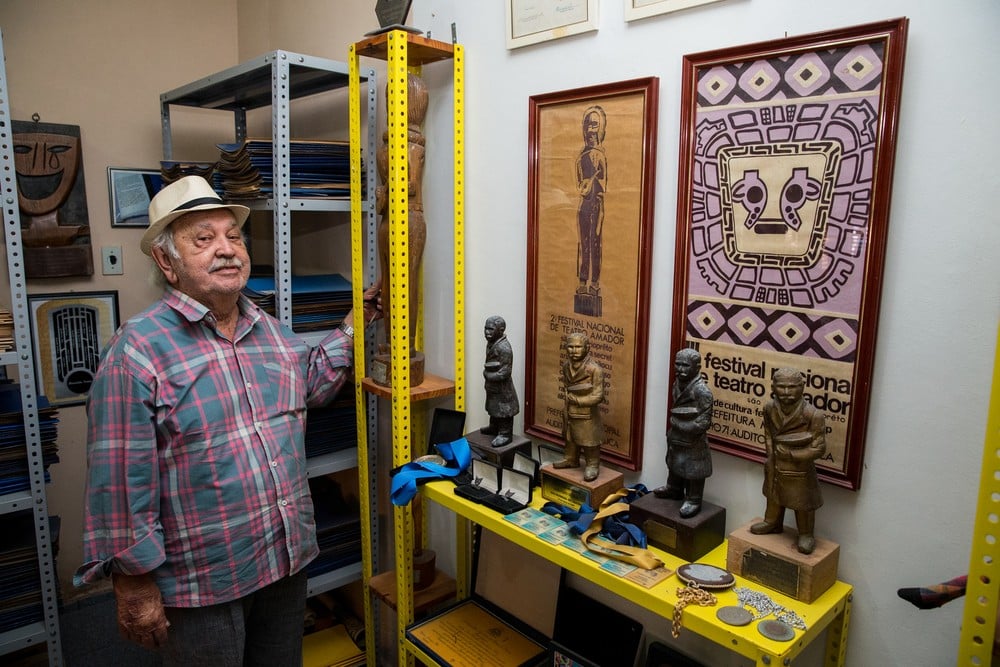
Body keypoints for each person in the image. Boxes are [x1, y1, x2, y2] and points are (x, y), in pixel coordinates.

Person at [73, 175, 382, 665]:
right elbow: (119, 482)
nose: (227, 249)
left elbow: (312, 384)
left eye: (234, 236)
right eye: (204, 238)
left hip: (284, 560)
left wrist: (354, 321)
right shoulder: (137, 352)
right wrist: (134, 584)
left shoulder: (269, 331)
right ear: (165, 261)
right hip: (202, 583)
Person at [750, 368, 826, 554]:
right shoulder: (769, 408)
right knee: (774, 495)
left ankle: (806, 533)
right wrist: (771, 456)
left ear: (802, 387)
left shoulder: (812, 415)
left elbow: (819, 448)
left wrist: (792, 456)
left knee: (802, 503)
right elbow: (768, 434)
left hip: (799, 469)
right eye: (781, 387)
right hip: (775, 463)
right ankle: (773, 522)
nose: (785, 392)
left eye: (791, 387)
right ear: (773, 386)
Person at [653, 348, 714, 518]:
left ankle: (694, 499)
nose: (680, 369)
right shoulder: (677, 383)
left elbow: (703, 423)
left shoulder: (702, 391)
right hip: (676, 437)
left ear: (697, 367)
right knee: (674, 463)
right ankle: (674, 489)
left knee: (694, 470)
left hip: (693, 440)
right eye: (677, 364)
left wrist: (678, 424)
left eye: (685, 365)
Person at [552, 332, 605, 481]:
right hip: (570, 410)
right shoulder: (566, 366)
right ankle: (571, 459)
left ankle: (593, 464)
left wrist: (578, 400)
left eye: (578, 347)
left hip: (587, 415)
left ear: (587, 348)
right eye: (570, 347)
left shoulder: (595, 370)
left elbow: (598, 396)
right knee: (570, 437)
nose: (574, 351)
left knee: (589, 441)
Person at [575, 105, 607, 301]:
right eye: (588, 125)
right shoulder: (580, 158)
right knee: (584, 245)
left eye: (594, 125)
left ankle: (594, 284)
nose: (590, 130)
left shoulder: (601, 156)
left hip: (597, 205)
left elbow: (604, 184)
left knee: (595, 244)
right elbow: (579, 185)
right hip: (584, 207)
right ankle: (582, 281)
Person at [480, 315, 519, 447]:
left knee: (504, 410)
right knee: (493, 407)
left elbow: (505, 372)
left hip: (503, 388)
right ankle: (494, 427)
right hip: (493, 387)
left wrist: (488, 375)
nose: (487, 332)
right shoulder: (491, 342)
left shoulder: (504, 348)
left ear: (501, 330)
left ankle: (505, 433)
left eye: (490, 329)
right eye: (485, 328)